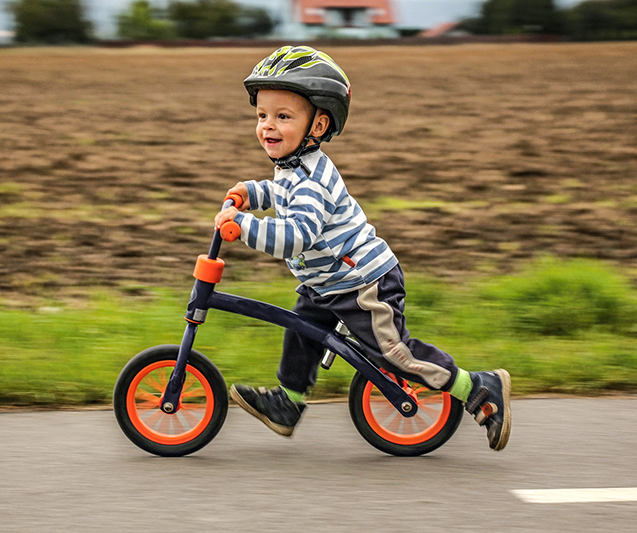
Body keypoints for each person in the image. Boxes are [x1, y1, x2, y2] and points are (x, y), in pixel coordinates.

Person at [213, 45, 512, 451]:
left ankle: (479, 388)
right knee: (301, 331)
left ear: (318, 125)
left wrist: (243, 226)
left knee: (396, 355)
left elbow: (297, 234)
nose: (268, 125)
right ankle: (289, 403)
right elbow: (281, 193)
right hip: (328, 280)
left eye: (283, 116)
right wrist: (252, 193)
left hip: (363, 283)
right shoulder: (293, 168)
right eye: (262, 115)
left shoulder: (313, 180)